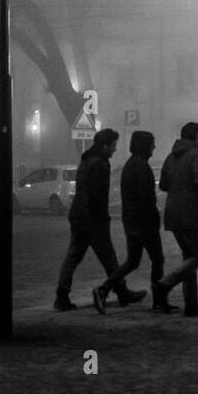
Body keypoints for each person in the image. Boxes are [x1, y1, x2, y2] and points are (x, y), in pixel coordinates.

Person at [54, 128, 147, 312]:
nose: (115, 150)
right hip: (92, 219)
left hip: (78, 215)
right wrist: (102, 220)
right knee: (109, 258)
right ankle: (120, 291)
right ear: (104, 146)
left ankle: (61, 296)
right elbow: (97, 197)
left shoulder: (87, 160)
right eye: (113, 146)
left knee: (73, 256)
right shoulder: (100, 165)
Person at [92, 131, 166, 313]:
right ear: (145, 146)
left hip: (131, 221)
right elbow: (146, 198)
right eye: (152, 144)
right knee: (157, 260)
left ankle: (104, 289)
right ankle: (159, 300)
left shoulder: (130, 166)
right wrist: (154, 219)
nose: (154, 148)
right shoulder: (142, 167)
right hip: (144, 222)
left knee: (133, 261)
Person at [152, 122, 198, 317]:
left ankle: (191, 304)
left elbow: (163, 185)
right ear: (195, 136)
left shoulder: (171, 156)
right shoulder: (196, 155)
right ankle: (165, 284)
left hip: (172, 211)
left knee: (189, 257)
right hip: (190, 212)